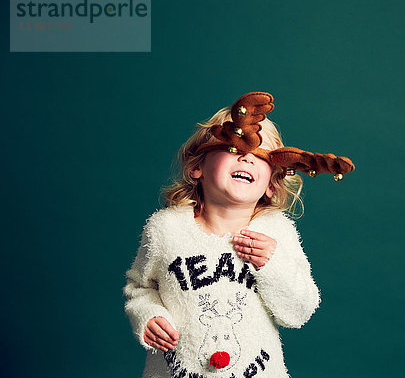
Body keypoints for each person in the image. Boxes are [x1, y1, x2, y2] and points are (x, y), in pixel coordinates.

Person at [123, 92, 354, 378]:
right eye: (233, 150)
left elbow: (299, 312)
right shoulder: (165, 229)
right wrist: (148, 316)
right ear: (197, 167)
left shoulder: (277, 233)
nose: (246, 158)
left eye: (260, 157)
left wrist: (273, 263)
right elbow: (140, 288)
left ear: (272, 183)